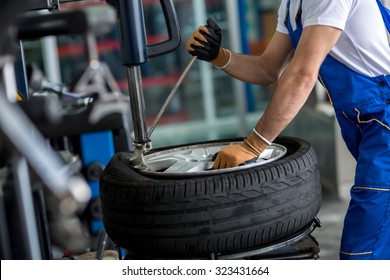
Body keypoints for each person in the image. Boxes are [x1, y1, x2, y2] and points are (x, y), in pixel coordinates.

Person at [186, 0, 390, 260]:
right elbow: (267, 69)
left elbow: (303, 74)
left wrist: (253, 145)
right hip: (366, 122)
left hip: (383, 120)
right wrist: (218, 56)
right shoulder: (292, 5)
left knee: (363, 249)